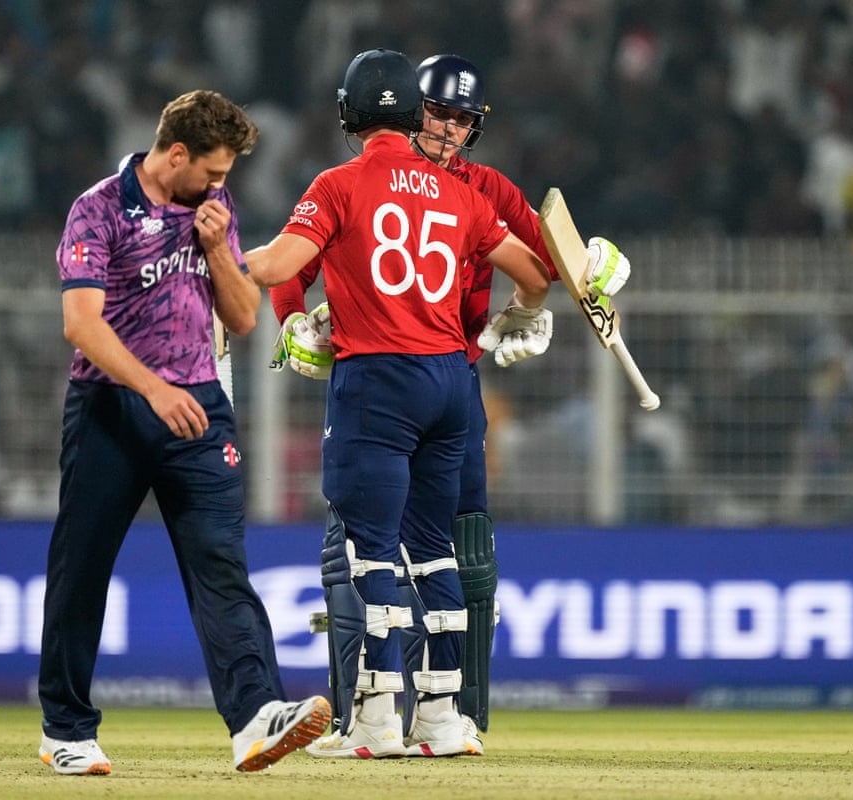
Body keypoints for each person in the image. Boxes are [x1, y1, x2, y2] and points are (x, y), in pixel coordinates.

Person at [267, 53, 632, 750]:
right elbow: (300, 268)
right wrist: (294, 319)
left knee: (456, 549)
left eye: (463, 119)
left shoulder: (483, 186)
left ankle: (455, 713)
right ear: (409, 111)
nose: (448, 128)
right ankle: (366, 713)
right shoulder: (407, 187)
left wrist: (588, 271)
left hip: (443, 381)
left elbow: (549, 262)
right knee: (361, 548)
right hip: (400, 373)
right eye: (436, 113)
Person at [36, 89, 331, 777]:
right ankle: (65, 730)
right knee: (81, 569)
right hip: (111, 407)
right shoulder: (99, 208)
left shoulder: (213, 213)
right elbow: (81, 324)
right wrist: (153, 388)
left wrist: (217, 250)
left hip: (198, 409)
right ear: (177, 155)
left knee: (220, 562)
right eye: (216, 171)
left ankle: (257, 717)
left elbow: (244, 317)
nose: (223, 185)